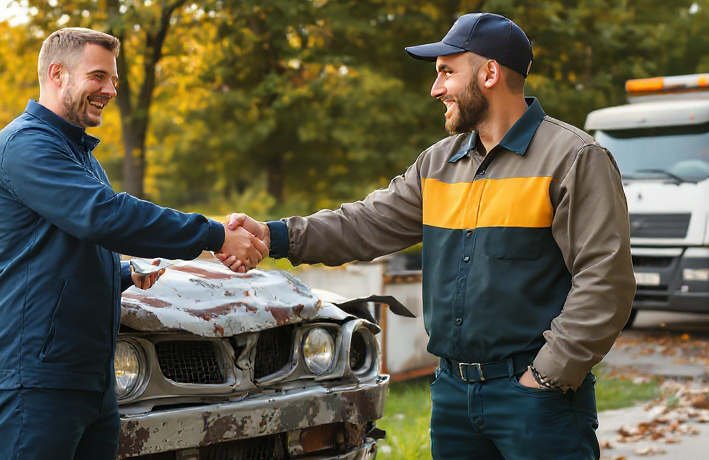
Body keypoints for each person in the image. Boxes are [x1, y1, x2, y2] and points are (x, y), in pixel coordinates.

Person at [223, 13, 635, 460]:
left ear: (490, 73)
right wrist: (273, 234)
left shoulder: (574, 159)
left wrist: (547, 377)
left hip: (538, 402)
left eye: (446, 72)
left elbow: (605, 283)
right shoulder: (438, 163)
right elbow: (364, 223)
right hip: (454, 398)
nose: (436, 89)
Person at [0, 27, 267, 460]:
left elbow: (57, 256)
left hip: (90, 377)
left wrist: (125, 273)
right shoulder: (26, 145)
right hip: (35, 374)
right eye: (98, 76)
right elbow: (105, 216)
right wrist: (215, 234)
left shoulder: (81, 155)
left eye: (113, 79)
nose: (110, 90)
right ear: (57, 74)